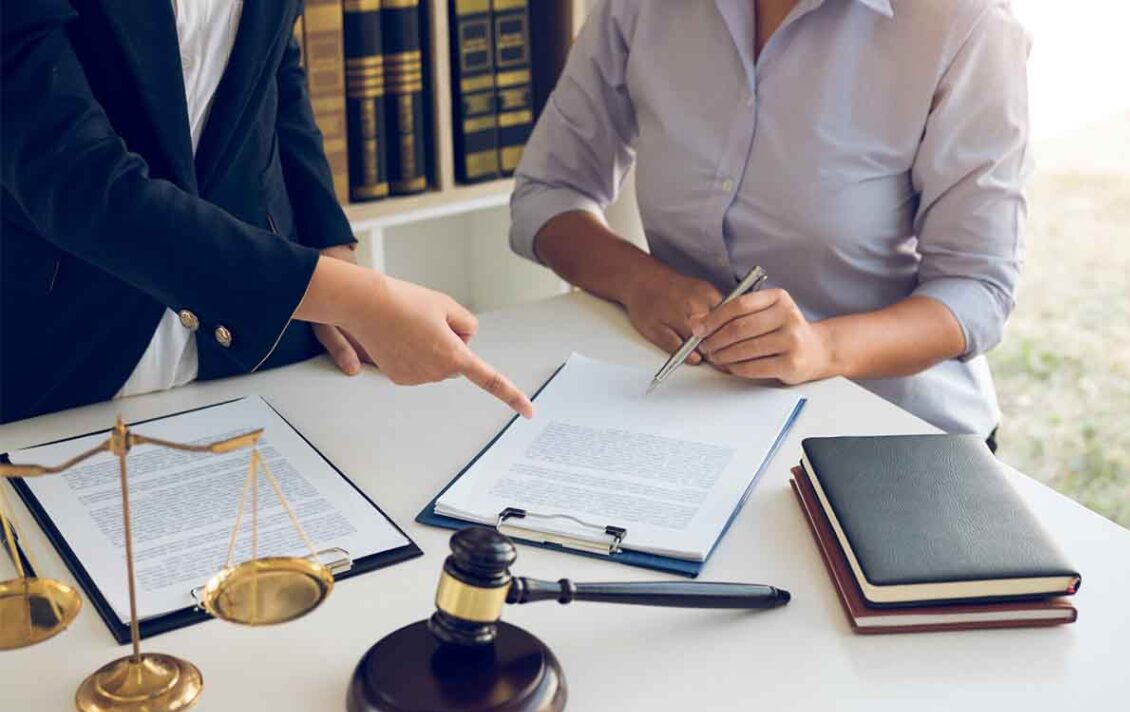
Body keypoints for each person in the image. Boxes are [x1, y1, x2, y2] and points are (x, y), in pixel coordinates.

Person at [510, 0, 1029, 445]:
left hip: (892, 434)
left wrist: (822, 348)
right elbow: (548, 192)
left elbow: (977, 289)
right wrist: (640, 281)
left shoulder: (966, 23)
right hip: (696, 413)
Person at [1, 0, 532, 423]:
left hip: (260, 359)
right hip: (61, 361)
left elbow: (275, 68)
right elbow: (76, 180)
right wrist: (358, 299)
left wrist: (332, 248)